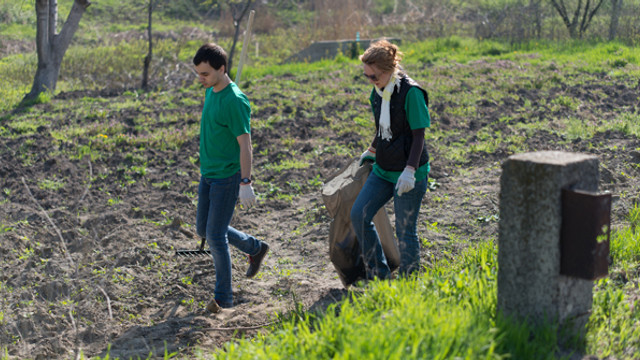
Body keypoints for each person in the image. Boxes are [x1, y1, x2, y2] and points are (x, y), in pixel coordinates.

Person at [192, 43, 269, 312]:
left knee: (214, 235)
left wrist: (245, 181)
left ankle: (224, 298)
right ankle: (254, 248)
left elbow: (245, 144)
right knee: (204, 230)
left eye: (205, 74)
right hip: (208, 174)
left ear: (221, 69)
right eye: (198, 73)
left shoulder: (235, 100)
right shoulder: (212, 91)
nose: (200, 78)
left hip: (227, 178)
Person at [351, 39, 430, 280]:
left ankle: (410, 283)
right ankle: (379, 275)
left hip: (408, 171)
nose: (370, 81)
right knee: (359, 215)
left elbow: (418, 136)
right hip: (384, 169)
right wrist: (372, 150)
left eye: (373, 76)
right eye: (366, 76)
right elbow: (383, 128)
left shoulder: (411, 93)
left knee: (405, 230)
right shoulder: (377, 92)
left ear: (388, 71)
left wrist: (410, 171)